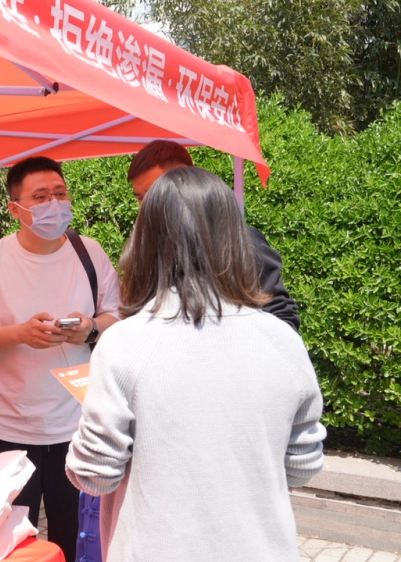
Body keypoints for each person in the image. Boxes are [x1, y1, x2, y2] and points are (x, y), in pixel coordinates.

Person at [65, 167, 326, 562]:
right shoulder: (283, 341)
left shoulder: (124, 343)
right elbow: (303, 465)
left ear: (146, 242)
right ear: (235, 238)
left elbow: (94, 476)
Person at [0, 156, 122, 560]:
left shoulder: (90, 253)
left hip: (77, 428)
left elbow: (118, 316)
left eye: (60, 194)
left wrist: (91, 328)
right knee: (9, 543)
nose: (54, 204)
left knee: (75, 537)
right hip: (7, 429)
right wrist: (20, 334)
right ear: (15, 209)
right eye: (41, 197)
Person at [128, 140, 301, 331]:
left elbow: (281, 315)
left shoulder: (242, 242)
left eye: (156, 193)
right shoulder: (149, 249)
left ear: (190, 179)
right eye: (141, 199)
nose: (148, 207)